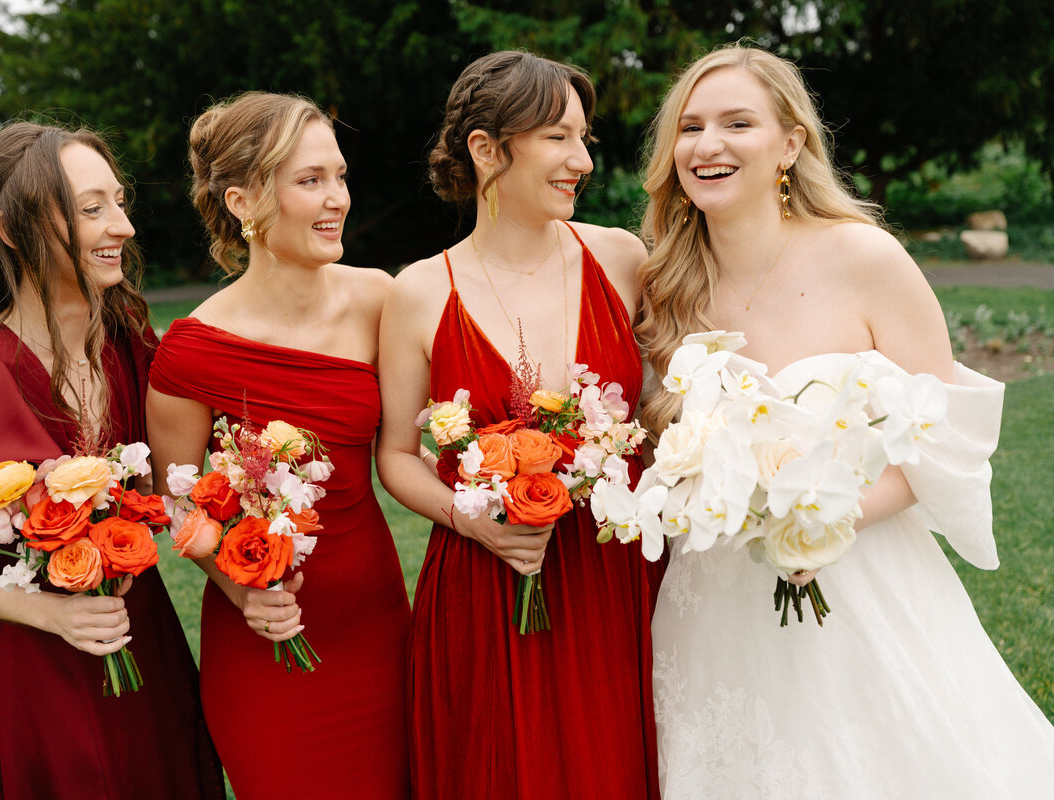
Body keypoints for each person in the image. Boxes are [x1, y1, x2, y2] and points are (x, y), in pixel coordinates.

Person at [635, 43, 1054, 799]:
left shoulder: (865, 258)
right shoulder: (665, 282)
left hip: (858, 582)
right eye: (691, 128)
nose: (708, 145)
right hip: (712, 608)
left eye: (738, 123)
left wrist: (821, 522)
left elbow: (944, 436)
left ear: (791, 142)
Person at [0, 121, 225, 799]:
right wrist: (50, 613)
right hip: (39, 658)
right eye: (91, 209)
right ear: (13, 230)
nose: (122, 226)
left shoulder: (133, 345)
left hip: (143, 634)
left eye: (120, 203)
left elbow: (183, 485)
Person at [376, 51, 661, 798]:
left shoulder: (622, 258)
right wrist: (476, 523)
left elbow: (667, 407)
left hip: (615, 574)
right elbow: (398, 456)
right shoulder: (417, 293)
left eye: (585, 138)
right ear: (485, 150)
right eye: (559, 139)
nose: (583, 161)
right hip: (487, 581)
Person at [145, 91, 411, 799]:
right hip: (263, 642)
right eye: (310, 180)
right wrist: (242, 594)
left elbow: (423, 440)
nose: (338, 199)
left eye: (340, 176)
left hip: (381, 630)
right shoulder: (190, 352)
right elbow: (177, 505)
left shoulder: (380, 300)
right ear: (243, 201)